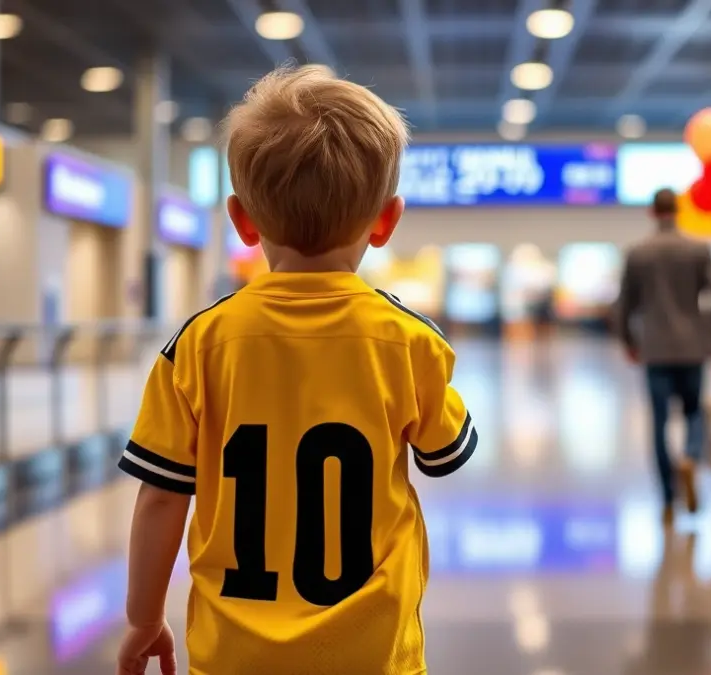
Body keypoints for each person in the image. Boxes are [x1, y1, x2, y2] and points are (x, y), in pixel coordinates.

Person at [115, 66, 476, 675]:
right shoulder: (408, 341)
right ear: (386, 220)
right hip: (373, 654)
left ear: (242, 219)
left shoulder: (200, 345)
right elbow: (445, 454)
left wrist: (143, 619)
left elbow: (161, 497)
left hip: (234, 653)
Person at [614, 188, 711, 525]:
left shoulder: (638, 254)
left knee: (659, 421)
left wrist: (628, 341)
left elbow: (624, 304)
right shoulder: (697, 250)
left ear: (652, 213)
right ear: (678, 211)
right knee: (696, 411)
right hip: (694, 347)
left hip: (655, 349)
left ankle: (668, 495)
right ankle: (692, 456)